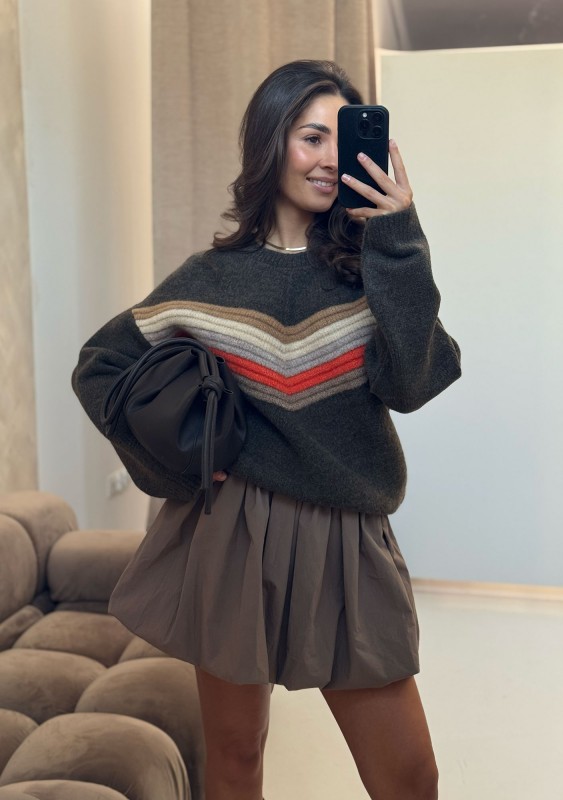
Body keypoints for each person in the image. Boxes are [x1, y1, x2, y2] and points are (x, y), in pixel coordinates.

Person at [73, 60, 461, 800]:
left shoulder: (373, 267)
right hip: (231, 536)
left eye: (342, 139)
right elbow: (101, 367)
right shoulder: (209, 278)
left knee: (410, 777)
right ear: (270, 143)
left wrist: (399, 238)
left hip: (347, 539)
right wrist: (182, 465)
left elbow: (413, 384)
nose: (330, 158)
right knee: (237, 757)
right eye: (312, 137)